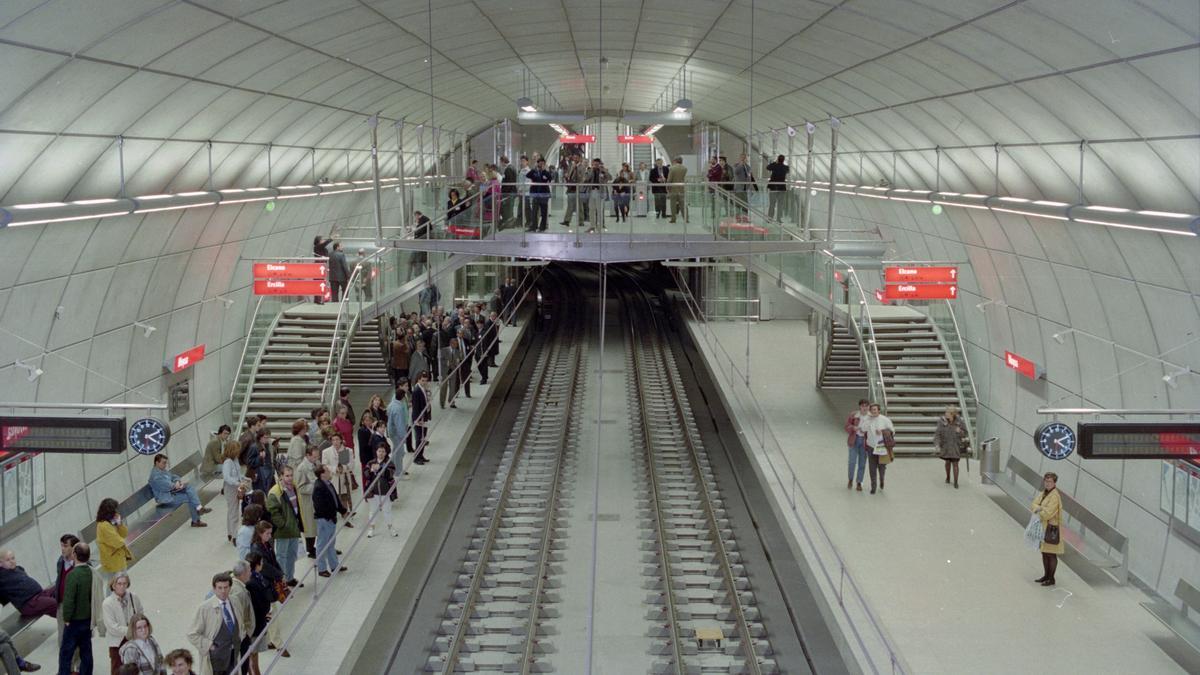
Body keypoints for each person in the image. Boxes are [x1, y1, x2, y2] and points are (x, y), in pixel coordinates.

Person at [187, 573, 240, 675]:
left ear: (230, 587)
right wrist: (209, 645)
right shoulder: (205, 608)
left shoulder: (235, 601)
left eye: (226, 587)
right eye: (219, 588)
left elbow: (240, 624)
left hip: (234, 655)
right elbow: (191, 633)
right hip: (216, 659)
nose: (223, 591)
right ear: (214, 589)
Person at [59, 543, 94, 675]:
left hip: (74, 622)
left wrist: (66, 618)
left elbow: (69, 600)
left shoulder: (73, 575)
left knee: (66, 653)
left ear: (74, 555)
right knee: (86, 651)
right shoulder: (91, 572)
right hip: (87, 619)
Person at [148, 454, 209, 527]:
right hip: (165, 498)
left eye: (166, 463)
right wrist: (176, 485)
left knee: (190, 488)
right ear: (157, 463)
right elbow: (167, 486)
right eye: (163, 463)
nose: (165, 465)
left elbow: (174, 476)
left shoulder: (162, 471)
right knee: (191, 496)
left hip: (172, 493)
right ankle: (197, 516)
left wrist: (177, 481)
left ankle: (198, 512)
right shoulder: (155, 476)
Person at [266, 468, 302, 587]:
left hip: (294, 527)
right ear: (281, 476)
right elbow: (273, 512)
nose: (290, 478)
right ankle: (282, 583)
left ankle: (290, 578)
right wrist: (283, 525)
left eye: (291, 475)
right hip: (283, 531)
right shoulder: (275, 492)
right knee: (282, 556)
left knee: (292, 555)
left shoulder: (294, 488)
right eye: (287, 476)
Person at [101, 572, 143, 673]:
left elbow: (140, 613)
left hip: (133, 639)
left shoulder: (133, 597)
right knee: (117, 669)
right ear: (113, 585)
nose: (122, 586)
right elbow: (112, 627)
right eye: (119, 584)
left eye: (125, 583)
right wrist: (132, 629)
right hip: (117, 642)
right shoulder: (107, 603)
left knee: (135, 668)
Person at [312, 464, 348, 578]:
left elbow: (335, 499)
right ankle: (322, 569)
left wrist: (342, 510)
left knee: (331, 544)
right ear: (322, 474)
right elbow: (319, 506)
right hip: (325, 520)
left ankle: (334, 566)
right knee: (322, 545)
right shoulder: (318, 487)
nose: (330, 472)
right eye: (327, 470)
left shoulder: (328, 483)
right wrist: (329, 517)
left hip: (331, 519)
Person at [0, 550, 57, 618]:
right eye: (7, 560)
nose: (12, 561)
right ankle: (67, 621)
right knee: (53, 603)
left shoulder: (18, 568)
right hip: (28, 604)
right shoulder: (2, 577)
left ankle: (67, 619)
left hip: (39, 595)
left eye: (13, 558)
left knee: (59, 588)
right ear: (0, 563)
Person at [241, 554, 272, 675]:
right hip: (254, 625)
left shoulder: (255, 579)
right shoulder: (252, 583)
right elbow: (257, 604)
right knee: (252, 655)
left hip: (257, 622)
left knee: (253, 655)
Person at [1032, 472, 1064, 587]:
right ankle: (1046, 576)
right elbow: (1033, 504)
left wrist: (1039, 509)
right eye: (1046, 481)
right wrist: (1040, 508)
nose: (1047, 483)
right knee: (1045, 552)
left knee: (1051, 554)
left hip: (1052, 530)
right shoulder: (1044, 493)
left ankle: (1051, 578)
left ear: (1054, 483)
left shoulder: (1055, 496)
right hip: (1044, 528)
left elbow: (1048, 513)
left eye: (1050, 481)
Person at [95, 498, 132, 589]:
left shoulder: (111, 522)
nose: (116, 512)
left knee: (120, 584)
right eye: (114, 510)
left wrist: (119, 523)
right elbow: (117, 542)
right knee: (114, 585)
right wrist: (123, 541)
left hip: (118, 558)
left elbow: (124, 534)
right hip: (112, 560)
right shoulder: (103, 525)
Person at [364, 444, 398, 538]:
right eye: (379, 451)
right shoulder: (371, 462)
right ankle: (371, 528)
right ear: (376, 452)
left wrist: (380, 469)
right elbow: (366, 474)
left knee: (387, 510)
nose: (381, 453)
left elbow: (390, 474)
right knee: (373, 511)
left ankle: (391, 527)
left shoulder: (389, 463)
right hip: (373, 492)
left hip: (385, 491)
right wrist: (371, 470)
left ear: (386, 453)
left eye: (383, 451)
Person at [861, 403, 895, 495]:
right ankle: (873, 486)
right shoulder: (868, 419)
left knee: (881, 467)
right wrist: (868, 420)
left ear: (879, 410)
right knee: (872, 467)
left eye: (875, 409)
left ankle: (882, 480)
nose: (873, 411)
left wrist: (883, 431)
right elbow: (863, 429)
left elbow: (892, 431)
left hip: (882, 447)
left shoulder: (885, 420)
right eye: (872, 410)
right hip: (871, 446)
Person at [321, 434, 355, 522]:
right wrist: (333, 469)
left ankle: (345, 513)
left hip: (344, 478)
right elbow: (324, 465)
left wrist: (342, 469)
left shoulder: (347, 450)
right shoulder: (326, 451)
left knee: (344, 496)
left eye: (337, 439)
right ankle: (332, 514)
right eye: (333, 440)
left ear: (341, 440)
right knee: (332, 496)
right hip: (332, 477)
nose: (335, 442)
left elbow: (351, 465)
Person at [934, 405, 969, 488]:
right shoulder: (942, 421)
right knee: (948, 462)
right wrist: (937, 444)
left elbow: (965, 432)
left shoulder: (959, 421)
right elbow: (937, 433)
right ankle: (948, 477)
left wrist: (960, 431)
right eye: (946, 412)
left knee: (955, 463)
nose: (946, 414)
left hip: (955, 445)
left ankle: (956, 482)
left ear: (952, 414)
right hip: (946, 445)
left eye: (947, 413)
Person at [294, 446, 319, 559]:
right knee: (310, 526)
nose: (316, 458)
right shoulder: (302, 468)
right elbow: (301, 487)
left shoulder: (314, 465)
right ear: (308, 456)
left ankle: (318, 546)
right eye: (314, 456)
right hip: (307, 502)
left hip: (316, 500)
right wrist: (316, 486)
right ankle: (310, 549)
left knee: (316, 525)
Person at [220, 444, 245, 543]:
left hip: (236, 487)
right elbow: (227, 477)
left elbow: (238, 474)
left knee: (232, 510)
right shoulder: (228, 462)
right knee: (234, 512)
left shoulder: (235, 460)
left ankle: (230, 533)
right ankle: (235, 535)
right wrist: (238, 483)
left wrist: (244, 479)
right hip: (230, 488)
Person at [844, 399, 870, 492]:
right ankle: (850, 479)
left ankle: (859, 482)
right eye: (863, 406)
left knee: (862, 463)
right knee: (852, 461)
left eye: (866, 406)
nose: (865, 408)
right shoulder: (854, 415)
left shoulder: (871, 417)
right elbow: (846, 426)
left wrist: (868, 431)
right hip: (854, 440)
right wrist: (853, 428)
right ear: (860, 407)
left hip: (865, 442)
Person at [583, 159, 610, 233]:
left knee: (599, 210)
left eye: (597, 164)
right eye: (594, 164)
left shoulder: (603, 171)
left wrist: (604, 170)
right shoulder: (590, 171)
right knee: (591, 209)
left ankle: (600, 227)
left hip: (600, 192)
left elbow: (609, 178)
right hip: (592, 192)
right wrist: (591, 170)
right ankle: (592, 226)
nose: (595, 166)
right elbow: (586, 179)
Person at [526, 158, 552, 232]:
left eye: (542, 163)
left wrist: (544, 170)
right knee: (534, 211)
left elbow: (550, 178)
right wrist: (534, 169)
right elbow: (528, 175)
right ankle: (533, 226)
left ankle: (542, 227)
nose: (541, 165)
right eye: (540, 163)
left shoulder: (546, 172)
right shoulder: (534, 172)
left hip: (544, 195)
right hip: (535, 194)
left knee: (544, 212)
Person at [387, 381, 411, 460]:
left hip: (392, 431)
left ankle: (394, 467)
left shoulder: (392, 405)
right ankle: (398, 470)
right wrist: (403, 437)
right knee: (400, 452)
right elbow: (399, 424)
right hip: (396, 433)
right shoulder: (398, 408)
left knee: (396, 450)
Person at [412, 371, 432, 465]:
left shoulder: (423, 388)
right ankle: (417, 457)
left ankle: (421, 455)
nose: (424, 382)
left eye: (425, 380)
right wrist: (417, 420)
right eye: (422, 380)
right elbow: (416, 407)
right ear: (419, 379)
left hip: (424, 417)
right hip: (419, 418)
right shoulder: (416, 391)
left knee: (423, 438)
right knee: (419, 438)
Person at [559, 154, 584, 228]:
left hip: (578, 188)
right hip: (571, 187)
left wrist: (576, 170)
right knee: (570, 205)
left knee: (579, 205)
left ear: (579, 158)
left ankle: (581, 221)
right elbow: (568, 174)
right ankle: (567, 220)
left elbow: (581, 177)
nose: (575, 159)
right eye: (574, 158)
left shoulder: (581, 167)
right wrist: (567, 176)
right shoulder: (571, 166)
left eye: (576, 157)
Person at [440, 336, 463, 409]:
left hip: (453, 371)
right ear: (451, 343)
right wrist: (446, 363)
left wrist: (459, 361)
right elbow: (440, 360)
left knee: (452, 387)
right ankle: (442, 403)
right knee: (444, 387)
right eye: (454, 344)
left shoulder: (457, 351)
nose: (455, 345)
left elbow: (459, 359)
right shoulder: (444, 350)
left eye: (456, 344)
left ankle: (452, 401)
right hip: (445, 372)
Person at [765, 154, 790, 221]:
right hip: (782, 188)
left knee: (772, 204)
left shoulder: (774, 166)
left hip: (773, 187)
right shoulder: (786, 167)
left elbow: (768, 167)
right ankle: (779, 219)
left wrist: (775, 162)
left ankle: (770, 218)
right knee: (780, 205)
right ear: (783, 160)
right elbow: (787, 172)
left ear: (778, 159)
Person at [667, 157, 688, 223]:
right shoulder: (684, 168)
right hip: (681, 188)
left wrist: (668, 187)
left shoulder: (672, 168)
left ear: (675, 161)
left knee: (673, 204)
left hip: (673, 189)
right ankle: (686, 218)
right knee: (683, 204)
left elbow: (669, 179)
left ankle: (673, 219)